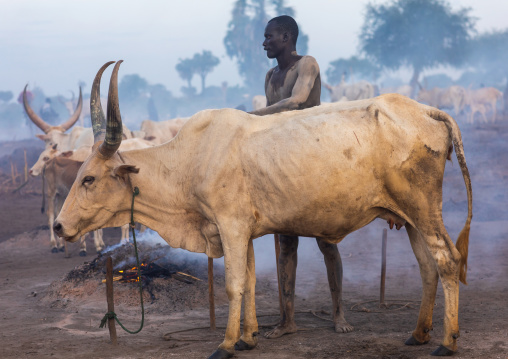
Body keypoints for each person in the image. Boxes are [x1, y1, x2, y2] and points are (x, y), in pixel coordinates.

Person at [250, 15, 353, 338]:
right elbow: (272, 124)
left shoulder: (306, 65)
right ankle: (287, 320)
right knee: (286, 245)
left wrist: (248, 117)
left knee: (326, 240)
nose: (264, 42)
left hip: (315, 159)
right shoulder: (270, 75)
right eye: (265, 37)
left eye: (269, 37)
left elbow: (296, 102)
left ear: (286, 37)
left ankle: (339, 312)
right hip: (285, 164)